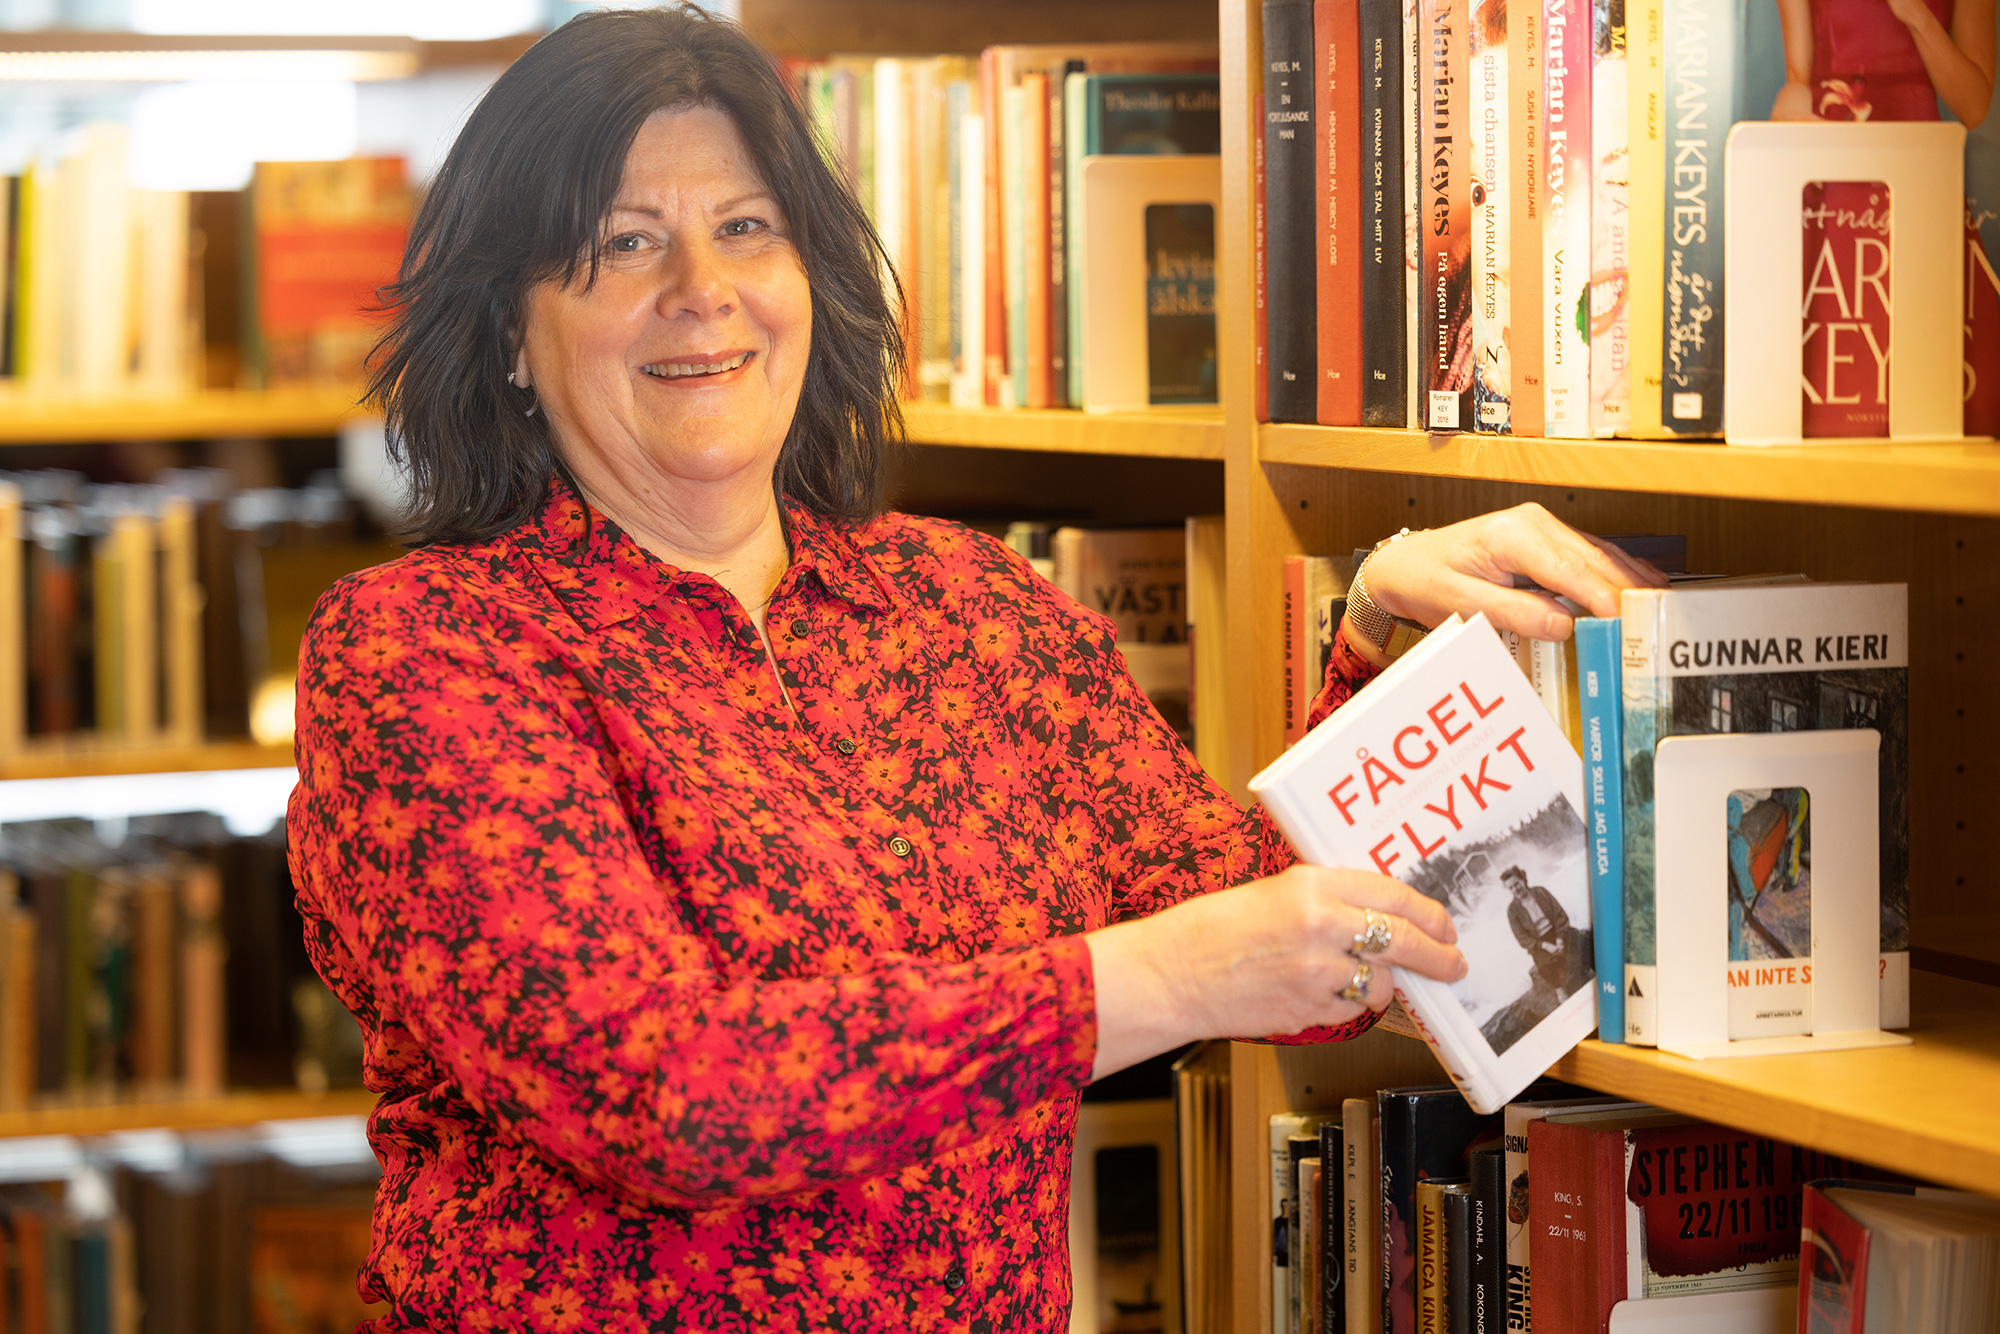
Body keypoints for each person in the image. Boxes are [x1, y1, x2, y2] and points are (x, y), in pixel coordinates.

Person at [285, 8, 1666, 1330]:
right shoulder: (424, 654)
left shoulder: (975, 606)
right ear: (509, 335)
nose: (699, 288)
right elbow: (666, 1090)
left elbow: (1259, 937)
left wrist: (1378, 641)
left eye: (745, 227)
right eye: (621, 242)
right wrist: (1155, 980)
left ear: (808, 280)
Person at [1501, 866, 1587, 995]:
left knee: (1580, 944)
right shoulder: (1512, 910)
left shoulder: (1541, 892)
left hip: (1558, 931)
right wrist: (1545, 946)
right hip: (1539, 944)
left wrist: (1559, 939)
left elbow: (1559, 914)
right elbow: (1522, 938)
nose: (1515, 889)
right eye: (1511, 888)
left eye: (1516, 884)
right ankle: (1560, 991)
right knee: (1546, 966)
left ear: (1523, 879)